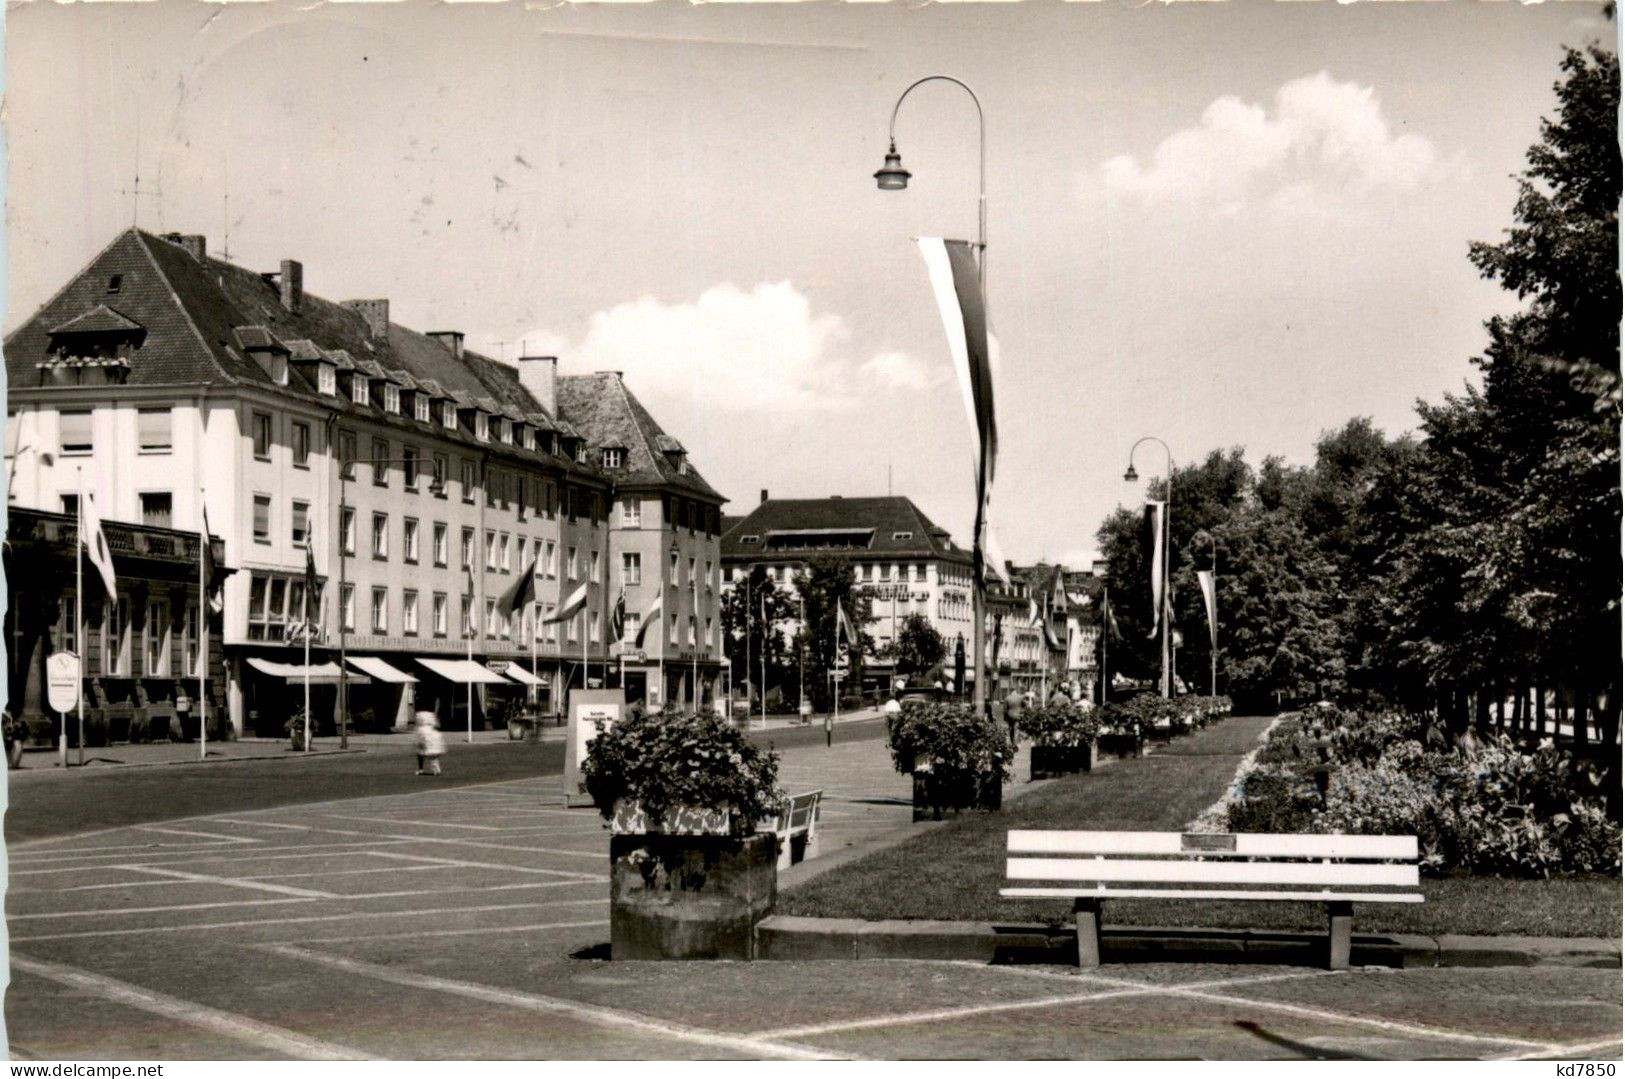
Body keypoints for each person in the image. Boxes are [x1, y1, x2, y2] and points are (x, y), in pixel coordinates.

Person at [415, 711, 445, 776]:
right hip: (434, 734)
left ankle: (430, 769)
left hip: (426, 734)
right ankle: (435, 768)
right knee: (433, 754)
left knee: (428, 753)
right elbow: (437, 725)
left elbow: (418, 724)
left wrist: (422, 742)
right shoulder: (432, 715)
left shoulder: (420, 715)